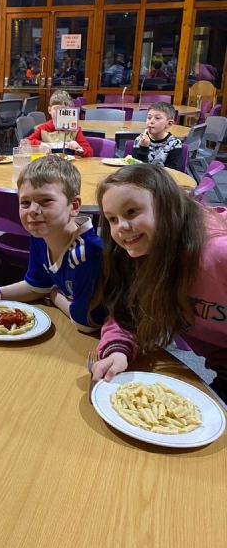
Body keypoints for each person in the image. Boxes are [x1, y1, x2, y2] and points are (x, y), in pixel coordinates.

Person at [91, 165, 227, 401]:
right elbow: (128, 311)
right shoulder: (141, 252)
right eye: (112, 219)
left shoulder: (217, 254)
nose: (121, 226)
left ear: (167, 207)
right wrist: (118, 348)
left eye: (132, 211)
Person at [0, 156, 106, 332]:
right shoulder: (41, 235)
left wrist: (53, 293)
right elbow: (36, 286)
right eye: (25, 202)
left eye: (46, 201)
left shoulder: (86, 253)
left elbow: (85, 322)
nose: (33, 211)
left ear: (74, 206)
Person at [27, 90, 93, 157]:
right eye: (56, 109)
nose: (60, 113)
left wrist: (78, 148)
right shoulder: (43, 128)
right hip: (49, 162)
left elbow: (89, 152)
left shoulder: (75, 130)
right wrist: (40, 144)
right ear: (49, 110)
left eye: (64, 110)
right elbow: (25, 142)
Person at [132, 102, 183, 171]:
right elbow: (135, 169)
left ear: (169, 124)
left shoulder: (174, 144)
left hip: (163, 177)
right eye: (149, 118)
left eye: (157, 118)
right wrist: (143, 148)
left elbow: (173, 172)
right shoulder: (139, 140)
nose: (151, 121)